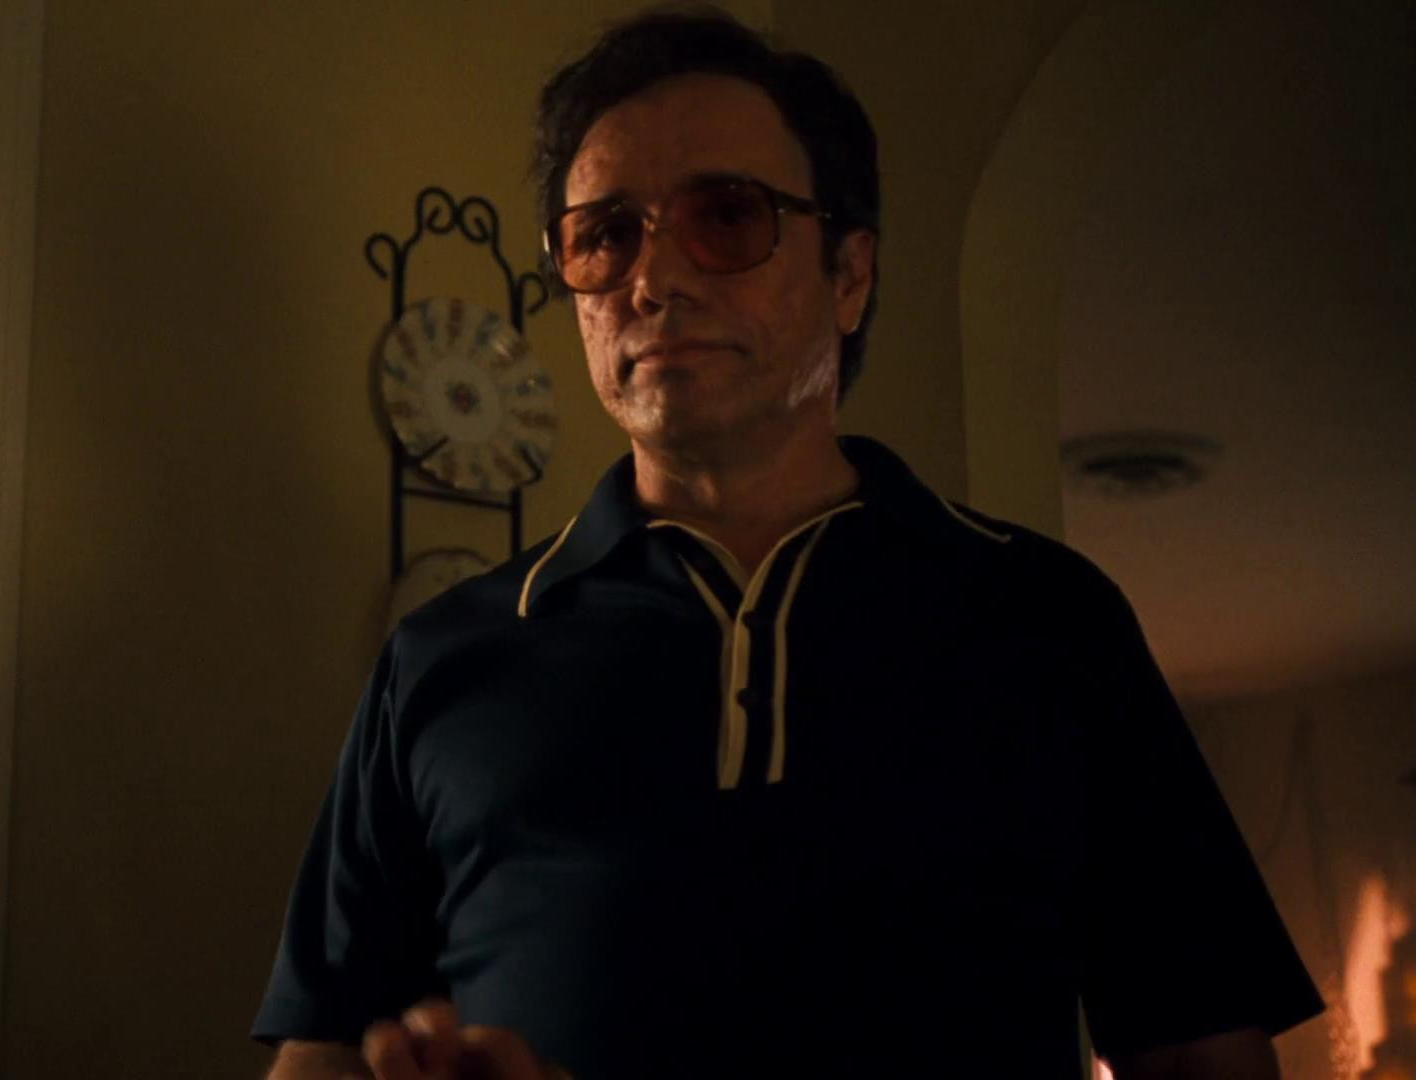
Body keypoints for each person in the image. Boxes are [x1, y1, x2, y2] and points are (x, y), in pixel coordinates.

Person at [254, 8, 1324, 1078]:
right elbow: (323, 1055)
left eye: (727, 216)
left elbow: (1205, 1053)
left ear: (849, 274)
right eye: (606, 235)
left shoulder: (1047, 621)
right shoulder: (443, 662)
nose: (653, 280)